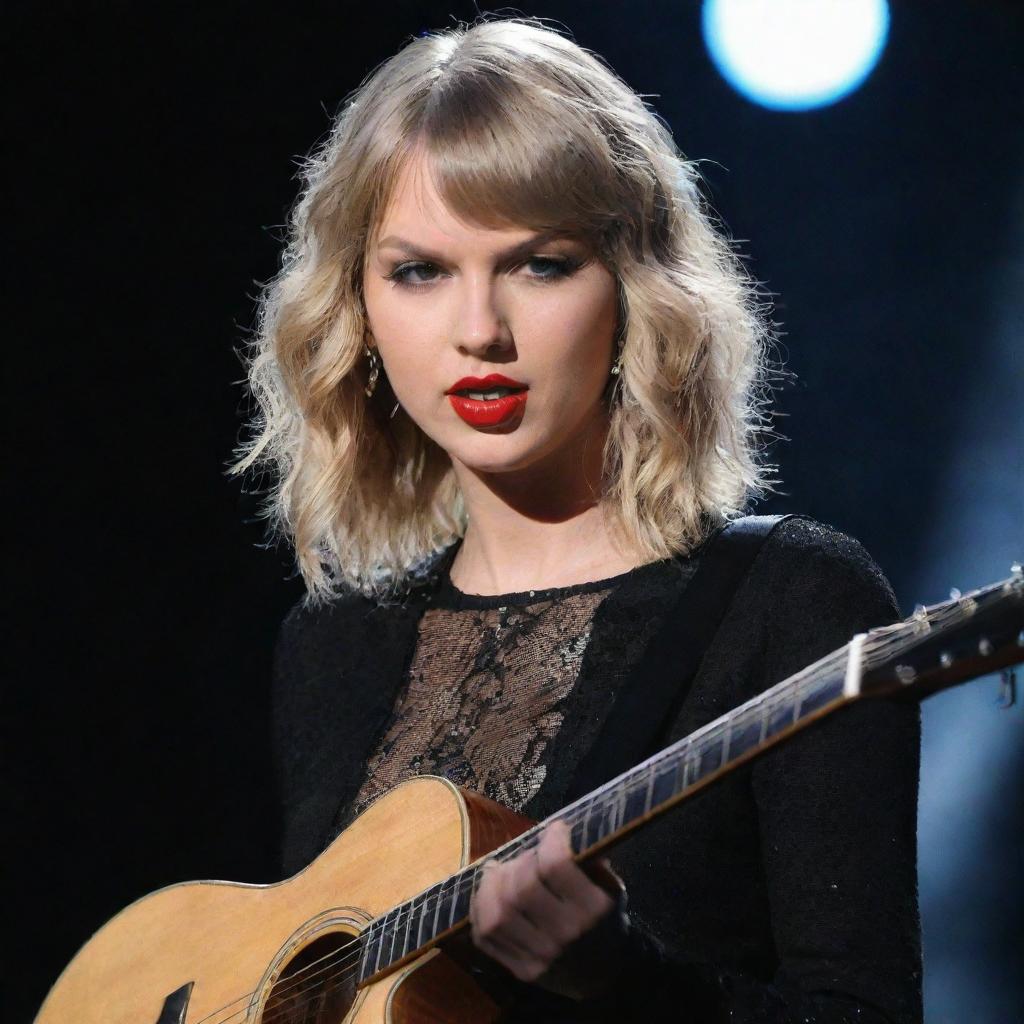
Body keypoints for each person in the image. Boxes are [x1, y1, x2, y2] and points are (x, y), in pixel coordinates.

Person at [233, 16, 921, 1023]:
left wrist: (626, 980)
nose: (479, 331)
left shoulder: (788, 602)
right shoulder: (333, 644)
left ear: (635, 294)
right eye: (419, 270)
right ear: (357, 310)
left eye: (539, 264)